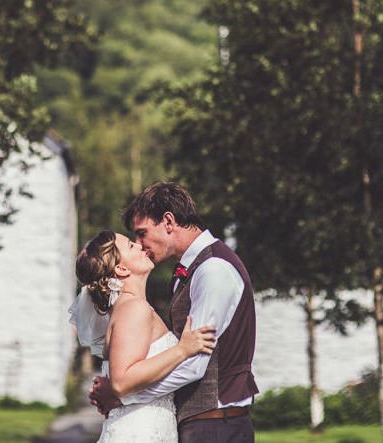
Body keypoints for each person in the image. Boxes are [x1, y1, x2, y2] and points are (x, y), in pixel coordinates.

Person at [89, 181, 259, 443]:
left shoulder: (212, 270)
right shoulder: (187, 273)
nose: (140, 243)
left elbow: (194, 365)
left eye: (142, 233)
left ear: (168, 222)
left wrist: (122, 396)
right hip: (200, 424)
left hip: (216, 425)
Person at [70, 229, 217, 443]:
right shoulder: (133, 309)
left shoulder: (130, 308)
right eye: (130, 245)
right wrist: (182, 350)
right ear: (120, 268)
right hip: (140, 432)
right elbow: (121, 382)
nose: (140, 245)